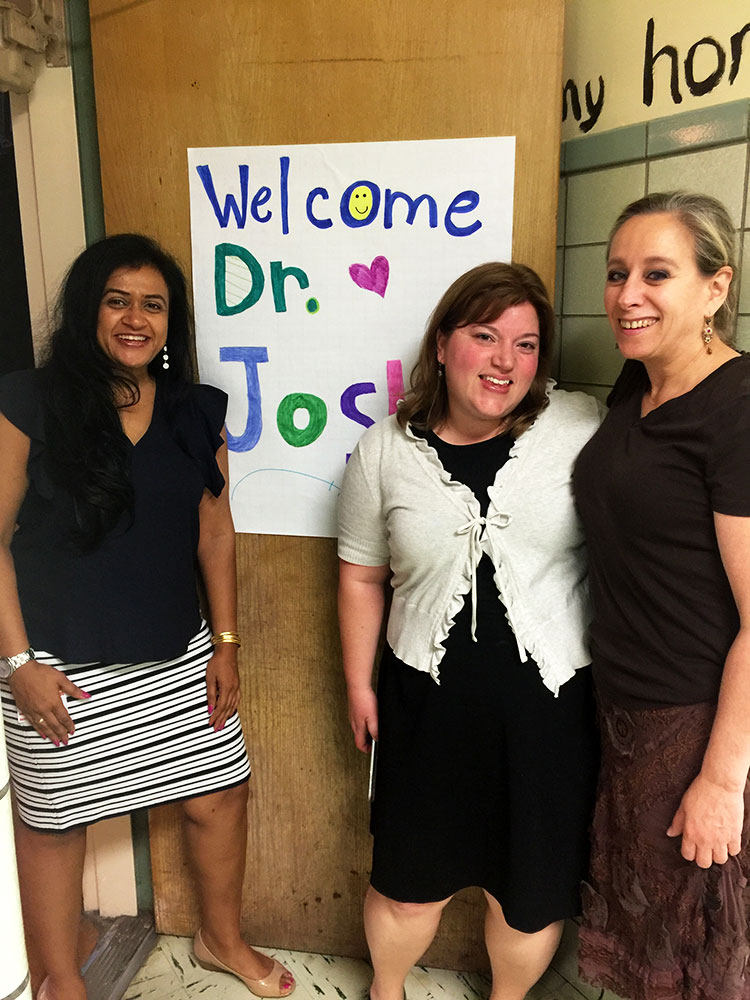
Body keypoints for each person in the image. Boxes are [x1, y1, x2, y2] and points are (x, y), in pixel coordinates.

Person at [0, 234, 295, 1000]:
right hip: (58, 669)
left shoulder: (198, 411)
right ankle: (58, 979)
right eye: (117, 299)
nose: (136, 318)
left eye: (153, 304)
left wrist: (225, 645)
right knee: (54, 824)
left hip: (177, 655)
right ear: (87, 310)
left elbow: (215, 531)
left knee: (220, 794)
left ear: (172, 321)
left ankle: (220, 940)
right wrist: (18, 667)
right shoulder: (28, 401)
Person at [337, 262, 602, 1000]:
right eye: (485, 336)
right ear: (445, 342)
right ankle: (385, 990)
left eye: (525, 345)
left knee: (527, 891)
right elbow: (361, 574)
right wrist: (359, 684)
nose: (503, 361)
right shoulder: (385, 449)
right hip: (424, 708)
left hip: (547, 714)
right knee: (406, 885)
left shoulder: (579, 426)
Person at [573, 191, 750, 1000]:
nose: (627, 295)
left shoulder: (736, 407)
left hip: (695, 722)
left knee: (699, 952)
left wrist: (721, 780)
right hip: (625, 714)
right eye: (616, 274)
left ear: (717, 287)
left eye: (656, 273)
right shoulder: (637, 386)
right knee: (653, 940)